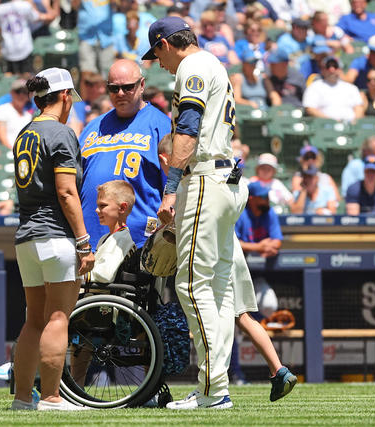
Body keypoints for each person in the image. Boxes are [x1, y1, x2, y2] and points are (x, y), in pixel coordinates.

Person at [144, 16, 246, 409]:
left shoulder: (192, 66)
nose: (158, 63)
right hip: (226, 179)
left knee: (190, 284)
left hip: (204, 177)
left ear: (165, 44)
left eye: (156, 55)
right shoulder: (214, 63)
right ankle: (215, 388)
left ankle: (211, 390)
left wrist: (170, 190)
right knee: (217, 290)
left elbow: (187, 127)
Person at [160, 136, 296, 402]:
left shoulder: (194, 188)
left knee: (227, 312)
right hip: (229, 256)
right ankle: (277, 369)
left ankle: (216, 385)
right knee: (240, 316)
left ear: (167, 160)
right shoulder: (228, 191)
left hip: (221, 258)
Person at [10, 67, 94, 411]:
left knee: (34, 319)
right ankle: (50, 396)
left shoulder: (24, 132)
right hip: (55, 237)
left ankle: (21, 399)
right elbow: (66, 192)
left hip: (26, 238)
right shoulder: (60, 133)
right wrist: (84, 241)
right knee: (59, 317)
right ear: (64, 96)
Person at [79, 59, 171, 248]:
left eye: (128, 87)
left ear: (142, 85)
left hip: (140, 245)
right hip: (91, 245)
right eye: (114, 88)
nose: (120, 94)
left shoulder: (161, 125)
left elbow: (173, 187)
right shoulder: (92, 128)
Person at [85, 180, 137, 284]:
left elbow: (104, 275)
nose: (96, 210)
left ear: (122, 208)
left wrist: (75, 274)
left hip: (100, 297)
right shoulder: (106, 237)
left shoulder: (121, 239)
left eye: (103, 206)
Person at [303, 56, 364, 123]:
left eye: (335, 66)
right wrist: (331, 122)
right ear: (322, 70)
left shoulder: (352, 88)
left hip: (350, 126)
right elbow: (310, 109)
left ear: (340, 69)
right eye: (328, 66)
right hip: (325, 127)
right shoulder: (314, 87)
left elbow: (359, 108)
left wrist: (355, 123)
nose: (332, 70)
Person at [0, 0, 40, 75]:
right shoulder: (25, 5)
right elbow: (36, 17)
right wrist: (32, 3)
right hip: (24, 47)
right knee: (26, 77)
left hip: (8, 47)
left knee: (10, 77)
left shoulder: (0, 8)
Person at [0, 79, 33, 149]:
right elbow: (2, 137)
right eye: (18, 92)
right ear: (12, 93)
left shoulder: (28, 115)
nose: (21, 95)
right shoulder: (2, 109)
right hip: (9, 153)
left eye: (25, 92)